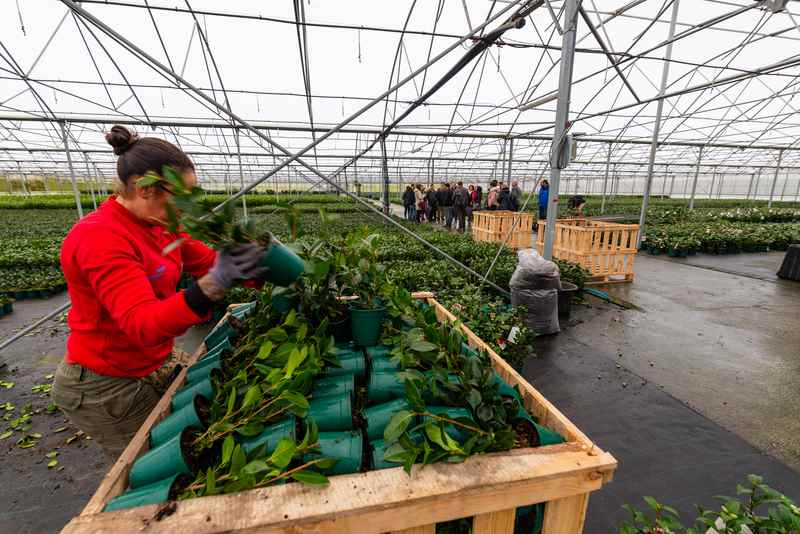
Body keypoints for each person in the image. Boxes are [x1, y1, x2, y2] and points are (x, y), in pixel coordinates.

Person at [53, 125, 267, 456]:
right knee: (162, 465)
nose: (187, 206)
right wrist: (213, 284)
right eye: (179, 196)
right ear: (142, 188)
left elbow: (209, 261)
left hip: (156, 360)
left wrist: (260, 271)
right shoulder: (99, 238)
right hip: (106, 384)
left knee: (199, 430)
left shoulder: (163, 225)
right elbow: (142, 325)